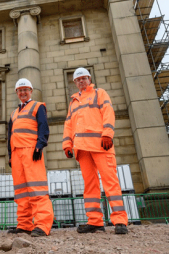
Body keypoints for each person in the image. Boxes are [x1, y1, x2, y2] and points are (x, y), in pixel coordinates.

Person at [62, 67, 128, 235]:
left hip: (101, 145)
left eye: (84, 78)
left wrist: (107, 134)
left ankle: (120, 220)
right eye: (78, 79)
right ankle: (95, 221)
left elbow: (108, 113)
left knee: (110, 182)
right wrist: (67, 144)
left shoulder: (100, 93)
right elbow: (69, 124)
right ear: (75, 82)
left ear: (89, 79)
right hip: (82, 149)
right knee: (90, 186)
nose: (81, 81)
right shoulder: (74, 101)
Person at [7, 78, 53, 237]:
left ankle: (42, 225)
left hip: (31, 151)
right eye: (20, 90)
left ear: (31, 91)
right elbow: (9, 135)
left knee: (37, 188)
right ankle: (24, 224)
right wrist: (9, 155)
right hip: (16, 153)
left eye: (26, 89)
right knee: (21, 192)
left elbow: (43, 127)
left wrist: (40, 145)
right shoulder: (13, 113)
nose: (23, 92)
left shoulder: (38, 106)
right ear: (17, 93)